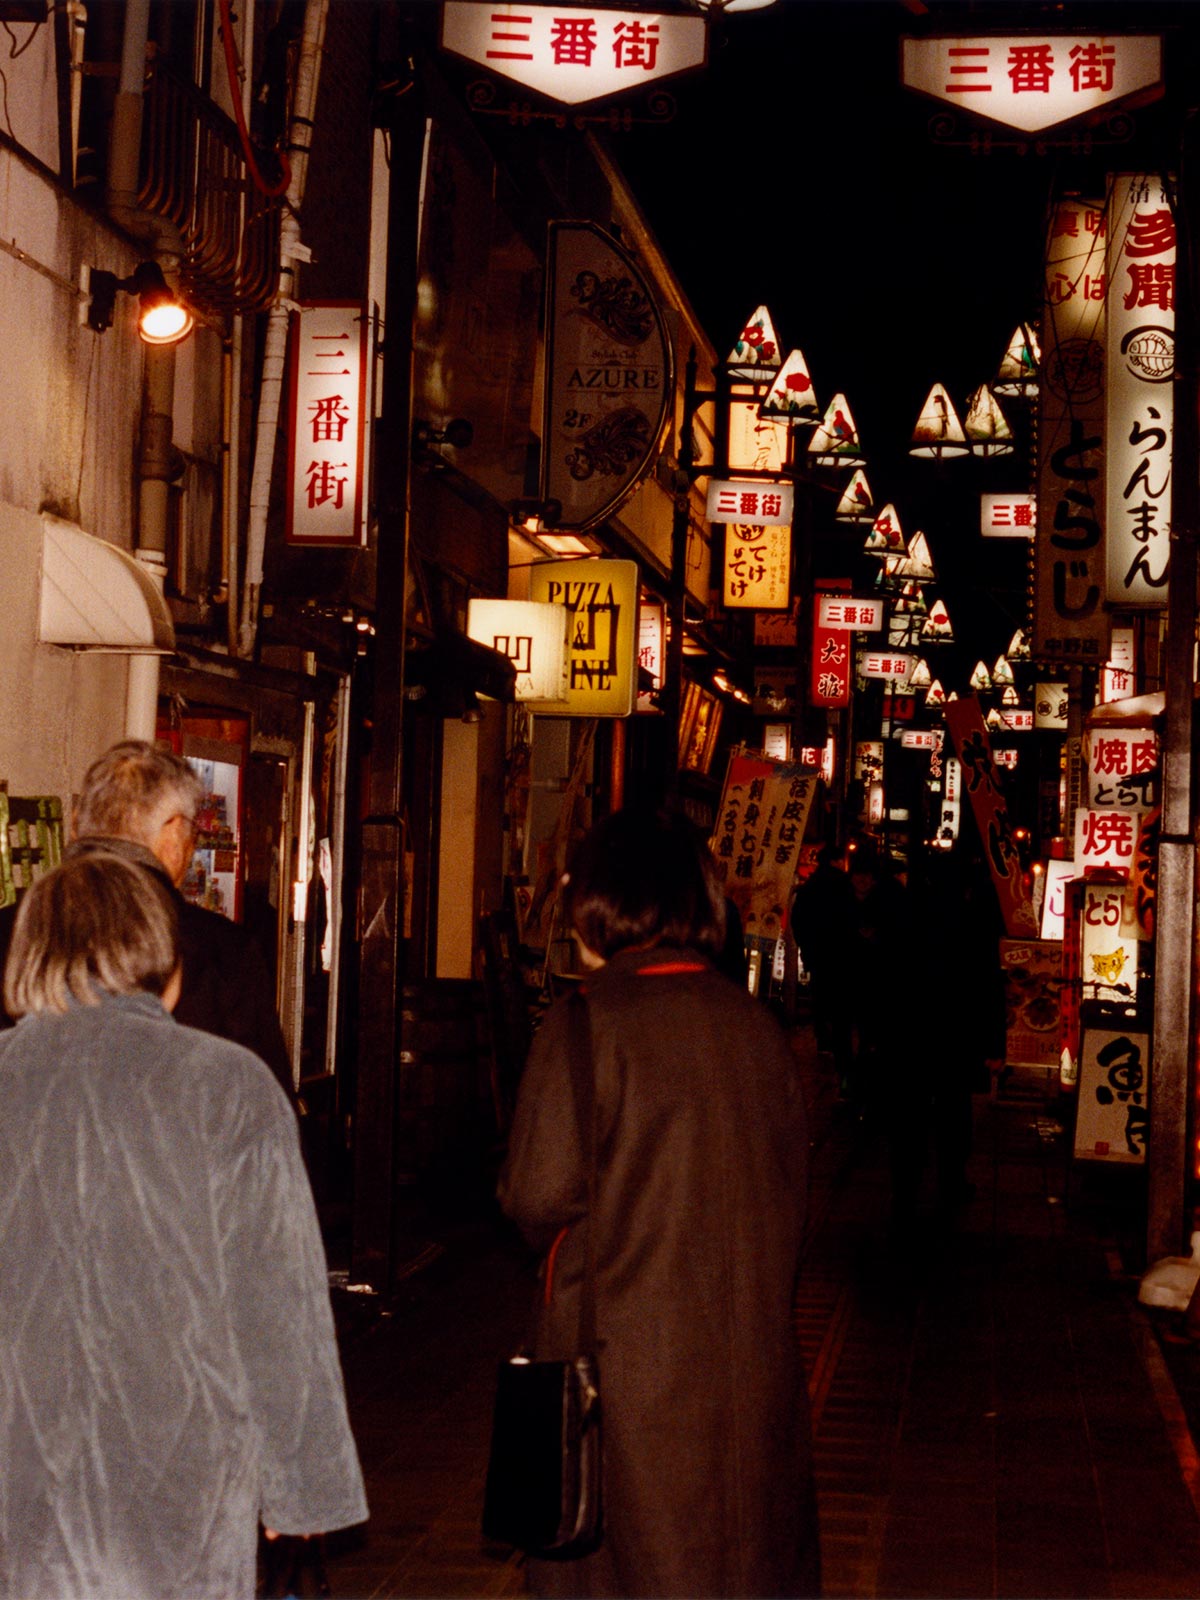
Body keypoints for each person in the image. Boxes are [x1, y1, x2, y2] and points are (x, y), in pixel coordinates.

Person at [0, 851, 367, 1600]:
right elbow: (278, 1306)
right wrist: (300, 1488)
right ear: (165, 960)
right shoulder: (228, 1087)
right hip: (176, 1484)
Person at [498, 809, 820, 1599]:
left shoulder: (584, 1025)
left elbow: (536, 1194)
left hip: (624, 1370)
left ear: (602, 901)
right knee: (738, 1558)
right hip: (749, 1366)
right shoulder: (757, 1028)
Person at [0, 741, 293, 1100]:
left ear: (77, 825)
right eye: (191, 833)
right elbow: (267, 1113)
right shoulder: (221, 951)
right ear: (172, 833)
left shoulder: (10, 931)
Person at [790, 845, 855, 1094]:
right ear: (838, 860)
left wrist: (807, 943)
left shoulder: (811, 886)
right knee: (840, 1003)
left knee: (819, 991)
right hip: (840, 953)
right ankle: (839, 1047)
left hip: (816, 951)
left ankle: (822, 1036)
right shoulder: (844, 885)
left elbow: (799, 918)